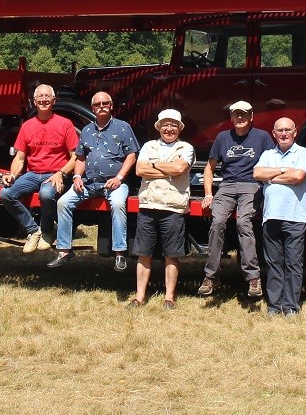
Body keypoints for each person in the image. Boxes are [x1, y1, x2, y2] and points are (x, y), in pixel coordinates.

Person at [49, 92, 137, 270]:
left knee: (119, 203)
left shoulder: (123, 127)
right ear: (93, 108)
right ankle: (65, 251)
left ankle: (120, 253)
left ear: (111, 105)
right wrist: (77, 176)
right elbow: (80, 158)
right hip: (88, 183)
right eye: (98, 104)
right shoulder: (87, 130)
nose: (102, 106)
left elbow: (132, 156)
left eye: (105, 103)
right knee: (63, 202)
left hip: (114, 183)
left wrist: (119, 178)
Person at [197, 100, 275, 298]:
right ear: (231, 118)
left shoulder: (262, 137)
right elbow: (209, 167)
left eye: (244, 114)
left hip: (252, 184)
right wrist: (208, 193)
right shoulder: (223, 137)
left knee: (243, 223)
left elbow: (273, 163)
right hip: (227, 185)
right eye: (236, 115)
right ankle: (210, 276)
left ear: (251, 117)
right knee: (217, 223)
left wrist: (269, 192)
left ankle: (253, 278)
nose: (240, 118)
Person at [0, 84, 79, 253]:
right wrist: (12, 175)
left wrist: (61, 173)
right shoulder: (27, 126)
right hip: (33, 174)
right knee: (6, 194)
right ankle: (33, 231)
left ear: (54, 100)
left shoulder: (65, 124)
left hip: (55, 174)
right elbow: (20, 157)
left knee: (46, 194)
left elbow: (75, 156)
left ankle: (48, 231)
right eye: (40, 97)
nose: (44, 100)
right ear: (34, 102)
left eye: (47, 96)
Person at [131, 108, 195, 308]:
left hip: (174, 207)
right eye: (165, 125)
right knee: (143, 253)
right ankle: (139, 297)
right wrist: (168, 171)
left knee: (171, 254)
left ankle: (169, 298)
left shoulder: (186, 147)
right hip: (148, 204)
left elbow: (180, 169)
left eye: (173, 125)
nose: (169, 129)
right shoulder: (149, 145)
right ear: (159, 127)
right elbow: (140, 170)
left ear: (179, 128)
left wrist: (155, 165)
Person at [253, 116, 306, 317]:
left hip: (295, 217)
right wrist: (284, 170)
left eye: (288, 130)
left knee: (293, 264)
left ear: (295, 132)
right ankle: (273, 306)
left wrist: (273, 177)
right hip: (271, 216)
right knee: (273, 263)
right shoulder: (268, 154)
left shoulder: (304, 153)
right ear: (274, 133)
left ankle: (290, 307)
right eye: (280, 130)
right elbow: (257, 174)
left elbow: (298, 177)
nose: (284, 133)